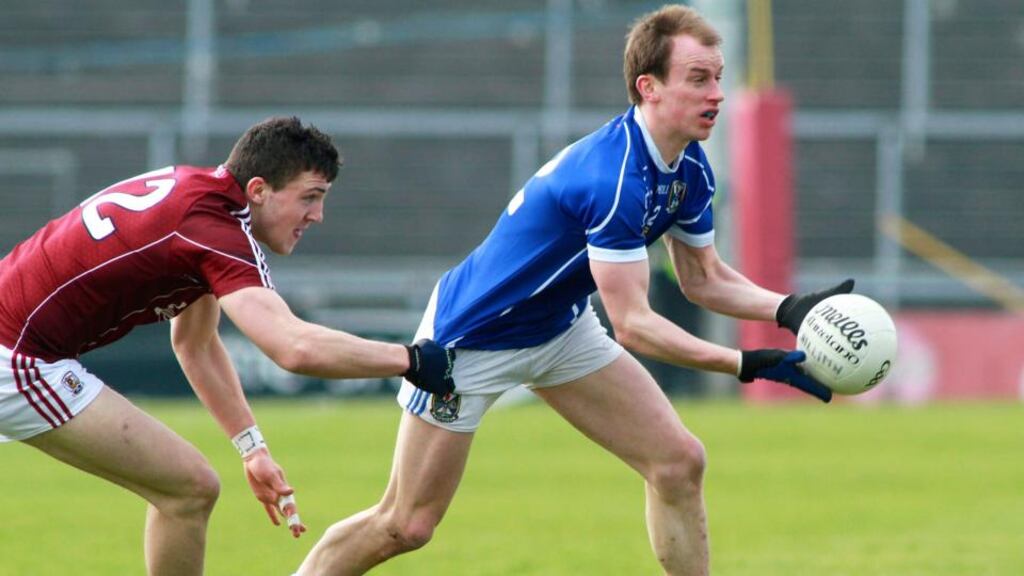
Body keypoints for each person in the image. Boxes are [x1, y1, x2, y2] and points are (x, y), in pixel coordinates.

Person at [296, 5, 852, 576]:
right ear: (649, 88)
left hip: (560, 329)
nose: (717, 94)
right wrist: (744, 362)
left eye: (718, 77)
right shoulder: (613, 179)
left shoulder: (690, 169)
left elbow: (702, 277)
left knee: (678, 463)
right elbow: (634, 325)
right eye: (698, 79)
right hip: (470, 340)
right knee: (405, 524)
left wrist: (789, 307)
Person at [0, 116, 454, 576]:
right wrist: (411, 359)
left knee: (187, 489)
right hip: (17, 358)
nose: (317, 215)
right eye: (310, 197)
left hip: (17, 349)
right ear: (258, 189)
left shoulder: (198, 199)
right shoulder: (215, 229)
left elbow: (194, 343)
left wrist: (252, 448)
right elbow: (293, 346)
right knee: (188, 489)